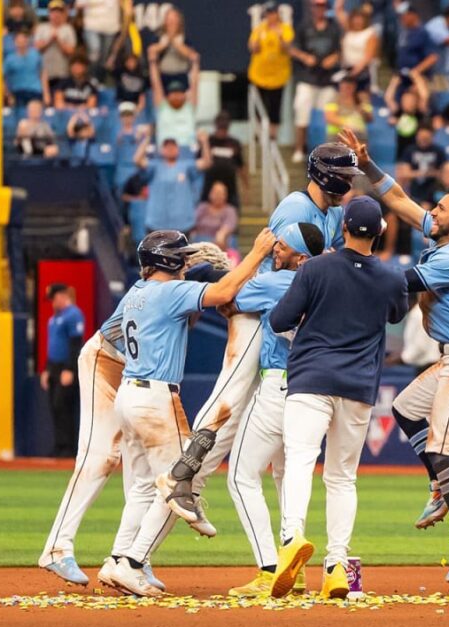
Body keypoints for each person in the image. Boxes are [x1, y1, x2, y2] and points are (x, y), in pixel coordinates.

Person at [153, 143, 364, 530]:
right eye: (346, 176)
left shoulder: (331, 212)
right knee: (226, 401)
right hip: (257, 311)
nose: (349, 184)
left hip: (275, 314)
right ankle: (183, 476)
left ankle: (282, 541)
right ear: (326, 174)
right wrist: (231, 296)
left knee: (265, 442)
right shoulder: (297, 210)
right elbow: (279, 265)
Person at [341, 128, 449, 584]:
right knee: (406, 409)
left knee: (442, 446)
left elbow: (396, 285)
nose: (434, 212)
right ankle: (438, 487)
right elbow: (402, 202)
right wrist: (368, 167)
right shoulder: (444, 238)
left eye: (444, 208)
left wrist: (349, 263)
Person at [97, 229, 277, 596]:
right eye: (181, 256)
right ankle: (132, 564)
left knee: (145, 488)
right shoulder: (171, 292)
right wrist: (257, 253)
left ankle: (116, 559)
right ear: (168, 260)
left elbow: (111, 334)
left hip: (128, 394)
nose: (187, 261)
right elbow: (225, 293)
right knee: (179, 484)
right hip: (155, 398)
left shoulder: (136, 293)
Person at [266, 196, 409, 598]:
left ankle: (292, 537)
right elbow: (398, 313)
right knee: (342, 478)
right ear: (380, 232)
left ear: (343, 227)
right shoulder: (391, 278)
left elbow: (279, 320)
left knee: (299, 462)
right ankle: (336, 566)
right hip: (358, 386)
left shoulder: (315, 268)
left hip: (311, 377)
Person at [225, 222, 327, 597]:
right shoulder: (323, 282)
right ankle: (293, 569)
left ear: (302, 258)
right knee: (285, 475)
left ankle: (270, 569)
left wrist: (253, 256)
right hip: (310, 387)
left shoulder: (276, 282)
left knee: (240, 475)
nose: (275, 249)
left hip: (277, 382)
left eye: (283, 246)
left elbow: (228, 298)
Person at [290, 0, 341, 162]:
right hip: (307, 77)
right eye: (316, 6)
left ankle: (326, 154)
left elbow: (340, 49)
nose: (319, 9)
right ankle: (299, 148)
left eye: (322, 6)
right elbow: (293, 48)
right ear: (312, 8)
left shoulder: (334, 27)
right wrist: (305, 57)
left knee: (327, 118)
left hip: (327, 79)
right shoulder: (304, 26)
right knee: (301, 112)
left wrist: (334, 58)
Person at [141, 131, 212, 237]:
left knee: (182, 253)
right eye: (167, 147)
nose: (170, 149)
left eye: (173, 147)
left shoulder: (187, 165)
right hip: (156, 223)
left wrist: (204, 142)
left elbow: (206, 163)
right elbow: (137, 160)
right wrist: (146, 139)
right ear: (162, 150)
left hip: (182, 224)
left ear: (178, 150)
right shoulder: (155, 166)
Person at [42, 283, 85, 458]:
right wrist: (46, 369)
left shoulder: (73, 315)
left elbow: (76, 344)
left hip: (66, 366)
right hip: (54, 366)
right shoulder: (54, 318)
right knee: (55, 406)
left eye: (53, 298)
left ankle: (69, 447)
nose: (52, 302)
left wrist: (70, 369)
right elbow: (52, 345)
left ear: (61, 296)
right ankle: (59, 445)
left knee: (65, 406)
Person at [248, 1, 294, 140]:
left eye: (273, 13)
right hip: (259, 74)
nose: (271, 16)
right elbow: (252, 48)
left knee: (275, 106)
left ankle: (273, 134)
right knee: (258, 105)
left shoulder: (285, 29)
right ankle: (258, 131)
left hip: (278, 75)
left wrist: (279, 36)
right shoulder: (260, 29)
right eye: (268, 13)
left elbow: (287, 48)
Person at [203, 111, 249, 209]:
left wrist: (246, 186)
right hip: (210, 188)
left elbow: (241, 166)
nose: (222, 132)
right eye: (220, 128)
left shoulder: (234, 143)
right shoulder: (208, 142)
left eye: (224, 129)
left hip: (230, 188)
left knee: (234, 212)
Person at [150, 56, 199, 147]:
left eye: (179, 92)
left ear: (184, 95)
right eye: (173, 93)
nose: (176, 96)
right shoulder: (162, 107)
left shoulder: (189, 107)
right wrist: (153, 62)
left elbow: (194, 84)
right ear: (168, 96)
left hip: (187, 151)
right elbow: (156, 84)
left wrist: (195, 63)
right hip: (165, 151)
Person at [335, 0, 379, 97]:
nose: (358, 21)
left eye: (360, 18)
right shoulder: (349, 29)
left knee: (362, 100)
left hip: (362, 73)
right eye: (355, 18)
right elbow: (338, 12)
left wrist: (353, 73)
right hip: (346, 70)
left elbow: (368, 57)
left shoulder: (370, 33)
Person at [146, 7, 196, 91]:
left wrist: (174, 41)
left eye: (174, 19)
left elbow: (190, 54)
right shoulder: (159, 37)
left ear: (179, 21)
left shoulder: (184, 39)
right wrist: (163, 44)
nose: (171, 22)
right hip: (163, 76)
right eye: (169, 19)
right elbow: (151, 50)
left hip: (181, 76)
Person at [34, 0, 77, 95]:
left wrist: (58, 40)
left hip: (62, 73)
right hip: (44, 73)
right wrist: (49, 40)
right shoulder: (42, 28)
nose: (56, 14)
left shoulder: (68, 29)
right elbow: (36, 48)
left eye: (59, 11)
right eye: (53, 11)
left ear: (63, 13)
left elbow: (71, 51)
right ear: (49, 13)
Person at [397, 125, 447, 208]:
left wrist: (415, 173)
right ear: (417, 136)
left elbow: (444, 173)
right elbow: (405, 174)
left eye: (426, 138)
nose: (423, 140)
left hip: (434, 189)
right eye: (421, 137)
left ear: (432, 137)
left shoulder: (438, 151)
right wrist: (427, 173)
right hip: (414, 189)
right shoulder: (409, 150)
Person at [75, 0, 120, 80]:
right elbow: (78, 4)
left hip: (110, 28)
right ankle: (90, 79)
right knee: (95, 51)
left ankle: (99, 81)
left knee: (104, 58)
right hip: (91, 27)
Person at [324, 71, 374, 139]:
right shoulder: (334, 100)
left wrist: (363, 111)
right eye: (344, 87)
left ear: (354, 87)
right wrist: (347, 123)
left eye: (349, 87)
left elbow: (370, 118)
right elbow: (329, 118)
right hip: (337, 134)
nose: (346, 90)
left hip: (358, 134)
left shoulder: (362, 99)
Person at [4, 30, 47, 106]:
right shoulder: (9, 59)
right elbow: (4, 78)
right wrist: (9, 95)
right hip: (17, 92)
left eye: (23, 41)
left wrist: (46, 93)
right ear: (14, 42)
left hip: (35, 91)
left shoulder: (35, 54)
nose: (21, 44)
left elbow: (42, 73)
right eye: (18, 41)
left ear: (27, 41)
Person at [193, 183, 237, 247]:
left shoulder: (230, 210)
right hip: (200, 240)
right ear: (210, 194)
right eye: (216, 193)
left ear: (225, 196)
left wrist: (222, 234)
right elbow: (193, 221)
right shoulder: (202, 207)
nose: (218, 196)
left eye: (220, 193)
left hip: (222, 241)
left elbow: (229, 224)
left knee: (231, 240)